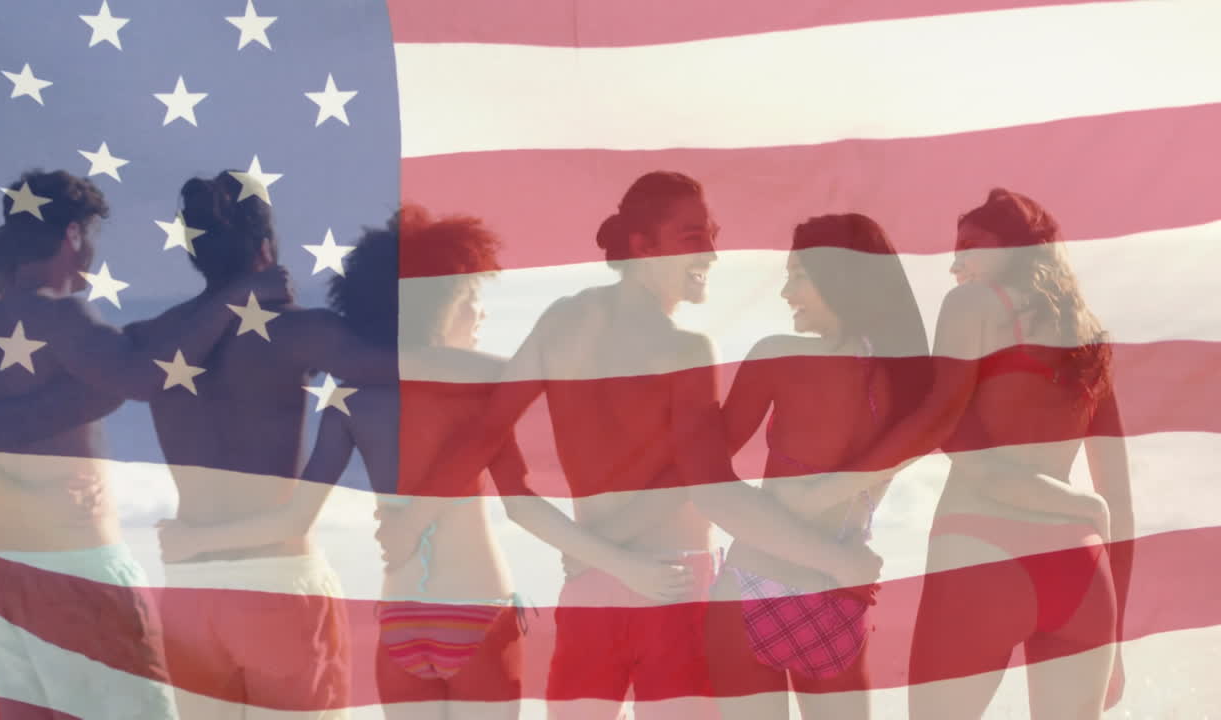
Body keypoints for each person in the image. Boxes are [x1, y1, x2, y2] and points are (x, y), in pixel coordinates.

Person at [376, 172, 884, 720]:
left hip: (590, 587)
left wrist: (413, 519)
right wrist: (834, 557)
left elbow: (487, 439)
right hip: (676, 588)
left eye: (712, 233)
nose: (713, 251)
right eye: (694, 237)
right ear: (643, 247)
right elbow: (706, 485)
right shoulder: (686, 349)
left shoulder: (561, 323)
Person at [0, 168, 292, 719]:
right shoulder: (58, 312)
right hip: (79, 571)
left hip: (6, 578)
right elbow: (144, 375)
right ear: (73, 236)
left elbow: (106, 370)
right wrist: (237, 298)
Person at [828, 189, 1132, 718]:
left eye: (970, 246)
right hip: (1083, 569)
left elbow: (942, 421)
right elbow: (1119, 503)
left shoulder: (974, 305)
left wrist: (830, 487)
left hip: (984, 548)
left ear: (1015, 249)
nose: (955, 265)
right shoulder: (1089, 340)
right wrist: (1118, 640)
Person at [124, 170, 401, 720]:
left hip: (191, 584)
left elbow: (135, 377)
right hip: (275, 582)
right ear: (267, 249)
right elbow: (410, 367)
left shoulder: (149, 338)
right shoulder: (303, 332)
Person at [704, 214, 930, 719]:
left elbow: (705, 475)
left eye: (799, 276)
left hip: (749, 588)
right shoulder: (914, 385)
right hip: (839, 598)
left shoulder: (776, 356)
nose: (785, 292)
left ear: (841, 277)